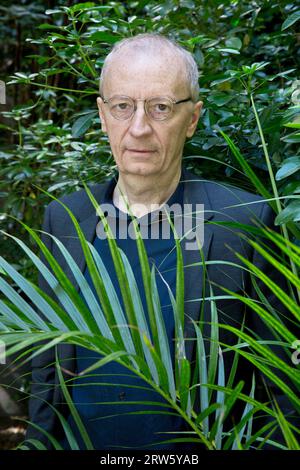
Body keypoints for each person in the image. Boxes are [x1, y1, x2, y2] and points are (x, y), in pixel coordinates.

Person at [25, 33, 296, 450]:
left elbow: (282, 387)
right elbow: (47, 367)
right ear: (102, 115)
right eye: (122, 106)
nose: (139, 127)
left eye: (161, 108)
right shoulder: (64, 218)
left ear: (192, 119)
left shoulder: (242, 223)